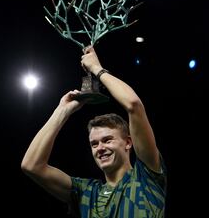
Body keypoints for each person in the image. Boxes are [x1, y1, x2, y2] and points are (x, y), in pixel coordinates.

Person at [21, 46, 166, 218]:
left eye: (107, 140)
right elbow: (31, 166)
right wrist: (62, 111)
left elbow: (133, 105)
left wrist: (97, 69)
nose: (100, 147)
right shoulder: (86, 193)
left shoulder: (146, 177)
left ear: (128, 142)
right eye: (94, 143)